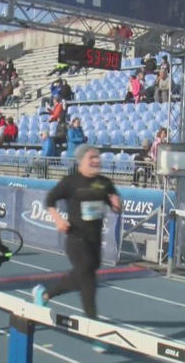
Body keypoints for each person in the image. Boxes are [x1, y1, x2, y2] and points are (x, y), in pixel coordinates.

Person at [33, 145, 121, 352]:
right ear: (81, 161)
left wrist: (117, 204)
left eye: (98, 158)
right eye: (92, 158)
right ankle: (94, 330)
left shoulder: (104, 183)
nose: (96, 161)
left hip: (94, 241)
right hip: (75, 239)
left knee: (81, 276)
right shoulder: (70, 182)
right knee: (88, 283)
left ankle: (44, 294)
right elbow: (50, 200)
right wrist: (57, 220)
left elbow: (115, 204)